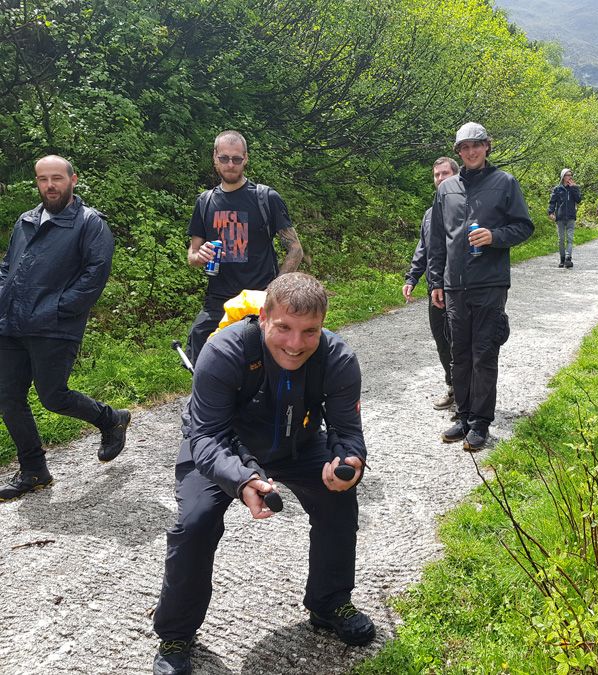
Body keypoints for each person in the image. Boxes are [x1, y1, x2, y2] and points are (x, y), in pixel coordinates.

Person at [152, 272, 374, 675]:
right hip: (223, 447)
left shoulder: (338, 358)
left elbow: (347, 431)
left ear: (322, 325)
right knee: (195, 522)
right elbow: (205, 437)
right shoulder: (223, 351)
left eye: (310, 331)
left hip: (299, 444)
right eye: (284, 327)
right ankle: (176, 634)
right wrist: (241, 481)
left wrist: (350, 463)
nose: (295, 344)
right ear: (263, 317)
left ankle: (329, 602)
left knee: (339, 498)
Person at [0, 156, 130, 502]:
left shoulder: (90, 223)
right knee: (8, 397)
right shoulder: (26, 220)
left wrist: (57, 309)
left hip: (54, 326)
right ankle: (34, 470)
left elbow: (94, 275)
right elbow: (8, 266)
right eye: (43, 179)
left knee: (52, 396)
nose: (50, 185)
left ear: (73, 180)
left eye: (57, 178)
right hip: (11, 323)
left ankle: (110, 419)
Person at [427, 123, 534, 452]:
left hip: (490, 282)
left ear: (487, 147)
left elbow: (524, 226)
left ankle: (481, 423)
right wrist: (435, 281)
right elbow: (437, 241)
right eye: (464, 147)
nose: (471, 151)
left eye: (476, 145)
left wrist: (494, 237)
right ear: (459, 152)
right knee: (459, 355)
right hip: (455, 284)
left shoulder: (504, 183)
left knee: (483, 354)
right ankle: (463, 415)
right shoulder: (447, 190)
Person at [185, 130, 304, 363]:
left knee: (262, 361)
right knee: (200, 346)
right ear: (215, 157)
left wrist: (274, 290)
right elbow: (192, 253)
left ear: (246, 158)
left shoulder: (265, 198)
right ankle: (208, 398)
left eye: (237, 159)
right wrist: (199, 257)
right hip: (219, 299)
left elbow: (295, 249)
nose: (231, 164)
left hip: (259, 296)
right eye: (224, 158)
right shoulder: (205, 201)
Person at [402, 156, 460, 411]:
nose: (440, 179)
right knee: (441, 340)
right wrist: (412, 278)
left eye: (444, 173)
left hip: (460, 287)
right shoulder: (429, 214)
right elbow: (423, 249)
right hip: (435, 289)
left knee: (460, 341)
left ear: (456, 175)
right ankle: (452, 387)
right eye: (436, 175)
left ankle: (466, 394)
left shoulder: (464, 207)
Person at [547, 168, 582, 268]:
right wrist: (550, 212)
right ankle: (562, 259)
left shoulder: (574, 188)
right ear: (563, 177)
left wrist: (574, 188)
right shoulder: (557, 189)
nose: (569, 177)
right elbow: (552, 202)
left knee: (570, 239)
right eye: (567, 175)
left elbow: (578, 200)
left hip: (571, 217)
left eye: (570, 175)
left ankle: (568, 258)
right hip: (560, 217)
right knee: (561, 239)